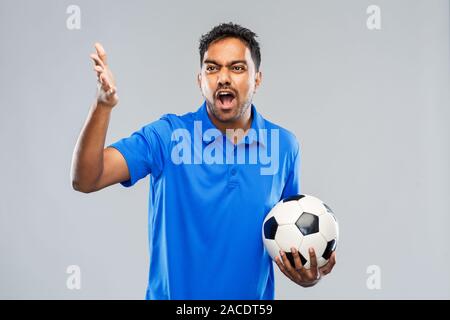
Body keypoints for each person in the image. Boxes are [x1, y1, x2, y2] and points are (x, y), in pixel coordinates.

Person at [71, 22, 336, 300]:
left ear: (257, 79)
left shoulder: (283, 146)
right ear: (200, 80)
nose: (223, 78)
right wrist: (102, 105)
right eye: (212, 68)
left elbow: (289, 238)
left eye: (237, 67)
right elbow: (86, 179)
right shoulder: (167, 136)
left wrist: (309, 275)